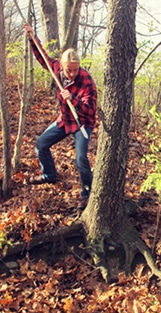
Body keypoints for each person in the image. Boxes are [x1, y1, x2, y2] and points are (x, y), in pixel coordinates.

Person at [23, 24, 97, 210]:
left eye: (75, 69)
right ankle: (49, 175)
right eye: (68, 70)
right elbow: (42, 57)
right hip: (65, 120)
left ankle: (87, 192)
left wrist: (73, 99)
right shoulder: (56, 68)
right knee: (41, 144)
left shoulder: (86, 80)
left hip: (82, 124)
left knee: (80, 158)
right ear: (62, 66)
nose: (72, 73)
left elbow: (90, 109)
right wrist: (32, 38)